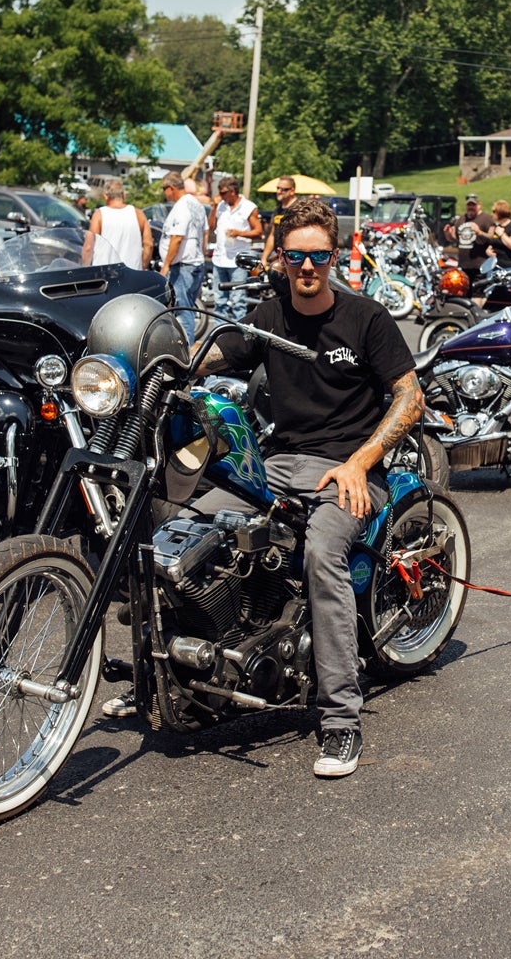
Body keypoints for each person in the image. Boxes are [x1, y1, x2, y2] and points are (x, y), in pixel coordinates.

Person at [201, 197, 422, 776]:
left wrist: (361, 460)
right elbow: (216, 353)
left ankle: (341, 720)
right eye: (296, 256)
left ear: (335, 256)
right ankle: (191, 677)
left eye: (318, 256)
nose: (307, 268)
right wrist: (164, 359)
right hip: (278, 464)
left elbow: (409, 395)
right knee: (187, 529)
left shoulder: (365, 318)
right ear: (279, 258)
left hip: (350, 470)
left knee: (322, 554)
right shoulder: (269, 316)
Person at [157, 172, 209, 339]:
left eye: (164, 189)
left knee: (182, 311)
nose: (164, 193)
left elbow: (177, 237)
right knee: (187, 309)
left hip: (183, 267)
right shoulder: (195, 204)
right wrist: (200, 254)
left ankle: (187, 354)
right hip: (194, 263)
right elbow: (205, 232)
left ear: (171, 188)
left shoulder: (182, 207)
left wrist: (165, 265)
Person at [208, 175, 262, 320]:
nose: (221, 196)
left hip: (238, 261)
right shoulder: (220, 206)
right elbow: (211, 227)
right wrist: (214, 206)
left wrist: (239, 233)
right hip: (220, 259)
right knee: (219, 301)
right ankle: (219, 337)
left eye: (223, 193)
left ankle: (240, 336)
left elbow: (258, 231)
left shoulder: (248, 207)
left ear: (232, 191)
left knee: (238, 301)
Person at [83, 178, 149, 268]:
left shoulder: (99, 215)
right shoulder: (138, 214)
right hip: (133, 274)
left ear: (106, 196)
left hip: (105, 274)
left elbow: (88, 247)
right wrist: (142, 267)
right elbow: (148, 245)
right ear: (124, 195)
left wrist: (85, 268)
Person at [443, 193, 495, 269]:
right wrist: (448, 234)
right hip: (463, 265)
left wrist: (479, 232)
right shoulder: (461, 219)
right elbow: (455, 239)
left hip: (481, 266)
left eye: (473, 205)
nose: (471, 207)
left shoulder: (486, 219)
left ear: (479, 205)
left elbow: (491, 237)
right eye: (468, 205)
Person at [261, 176, 300, 265]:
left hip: (294, 258)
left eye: (283, 189)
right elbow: (272, 235)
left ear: (292, 190)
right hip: (279, 257)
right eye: (278, 188)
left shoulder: (298, 208)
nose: (278, 191)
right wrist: (264, 258)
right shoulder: (277, 210)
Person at [489, 199, 511, 268]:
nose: (492, 214)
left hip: (508, 265)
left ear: (500, 212)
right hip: (495, 265)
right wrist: (488, 250)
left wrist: (502, 235)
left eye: (494, 212)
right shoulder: (496, 227)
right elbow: (492, 242)